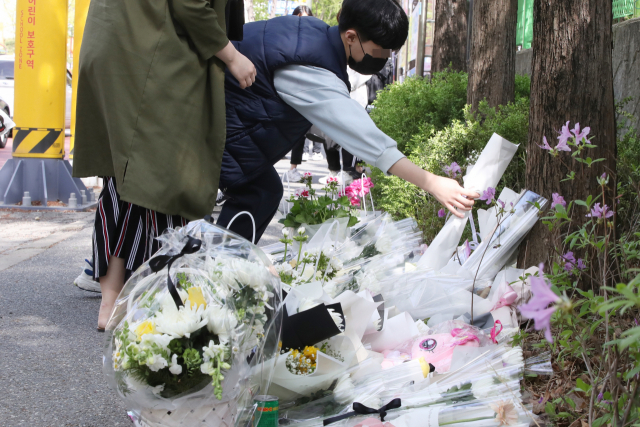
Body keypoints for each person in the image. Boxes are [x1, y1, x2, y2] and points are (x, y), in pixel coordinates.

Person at [217, 0, 478, 244]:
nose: (383, 61)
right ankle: (213, 272)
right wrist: (432, 182)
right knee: (258, 193)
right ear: (351, 36)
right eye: (379, 52)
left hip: (225, 122)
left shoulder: (312, 36)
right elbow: (360, 134)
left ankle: (227, 266)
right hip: (210, 129)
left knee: (263, 190)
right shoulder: (309, 62)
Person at [71, 0, 256, 330]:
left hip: (123, 41)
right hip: (150, 53)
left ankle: (116, 296)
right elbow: (190, 4)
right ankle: (126, 299)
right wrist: (232, 56)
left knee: (124, 173)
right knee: (152, 179)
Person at [286, 4, 323, 183]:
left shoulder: (315, 39)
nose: (303, 21)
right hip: (288, 87)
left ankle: (293, 167)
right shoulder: (286, 36)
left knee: (300, 130)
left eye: (306, 18)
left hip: (307, 89)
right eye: (299, 17)